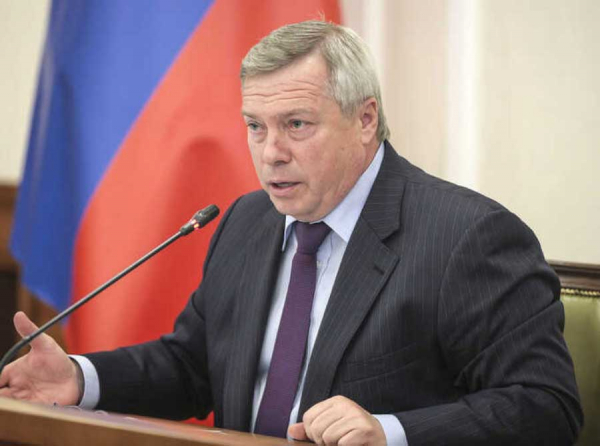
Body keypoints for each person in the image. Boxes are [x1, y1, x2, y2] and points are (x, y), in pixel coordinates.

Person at [0, 20, 582, 446]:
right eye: (255, 126)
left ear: (365, 119)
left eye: (296, 124)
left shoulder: (467, 237)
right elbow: (194, 366)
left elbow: (545, 407)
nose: (271, 153)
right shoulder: (248, 221)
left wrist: (389, 432)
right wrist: (81, 378)